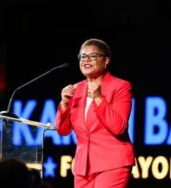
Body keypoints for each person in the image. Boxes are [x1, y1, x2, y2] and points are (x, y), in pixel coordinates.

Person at [55, 38, 135, 188]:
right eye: (83, 56)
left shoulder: (120, 87)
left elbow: (119, 127)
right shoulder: (76, 89)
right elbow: (63, 130)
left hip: (112, 163)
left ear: (106, 61)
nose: (86, 60)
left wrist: (98, 98)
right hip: (83, 168)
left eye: (93, 56)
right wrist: (64, 104)